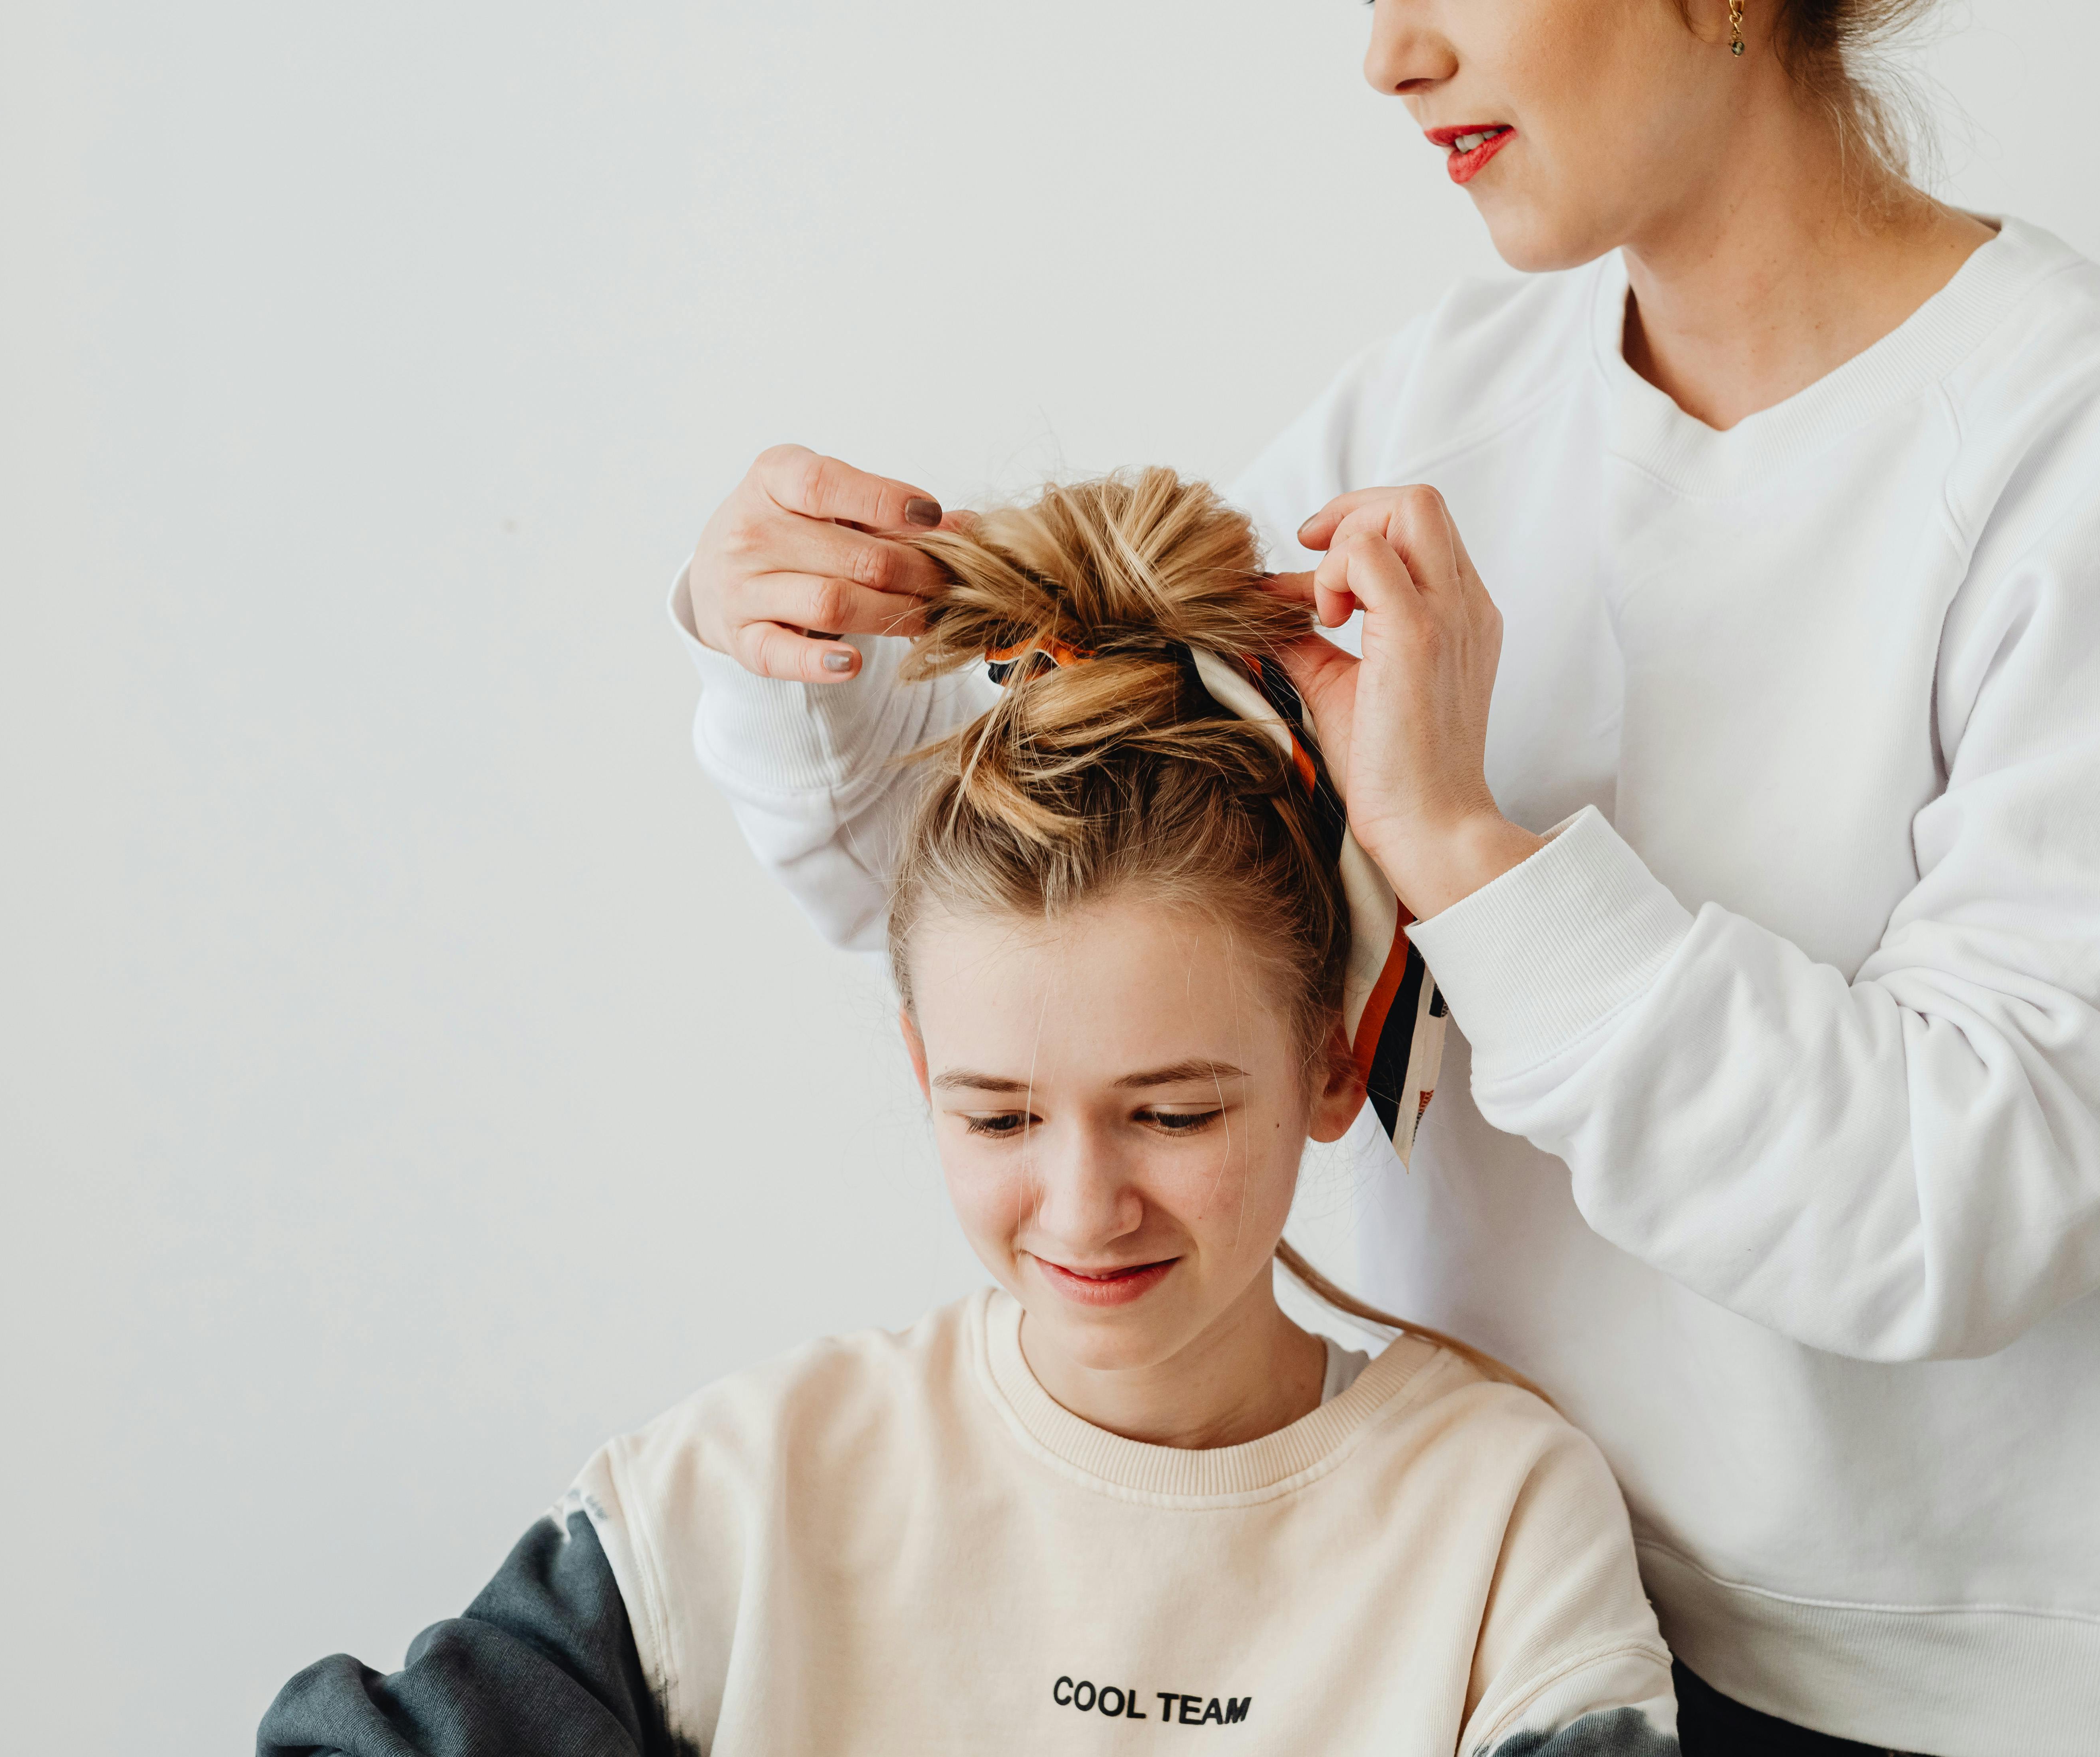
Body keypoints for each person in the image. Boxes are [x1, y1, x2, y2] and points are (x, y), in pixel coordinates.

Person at [671, 4, 2100, 1752]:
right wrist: (790, 658)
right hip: (1503, 1622)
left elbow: (1964, 1201)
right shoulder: (1452, 404)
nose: (1390, 54)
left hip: (1966, 1691)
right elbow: (1069, 940)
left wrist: (1459, 846)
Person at [256, 473, 1683, 1757]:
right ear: (917, 1062)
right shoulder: (751, 1491)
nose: (1080, 1206)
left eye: (1172, 1114)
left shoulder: (1498, 1523)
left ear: (1327, 1064)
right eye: (998, 1120)